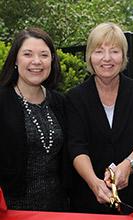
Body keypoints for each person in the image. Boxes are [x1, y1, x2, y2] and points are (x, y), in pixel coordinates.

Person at [66, 22, 133, 214]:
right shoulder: (75, 97)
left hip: (132, 196)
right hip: (87, 197)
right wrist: (94, 183)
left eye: (114, 51)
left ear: (124, 56)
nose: (107, 58)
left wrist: (128, 165)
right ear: (89, 56)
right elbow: (76, 145)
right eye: (99, 51)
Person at [0, 27, 69, 211]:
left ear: (52, 60)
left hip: (57, 208)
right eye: (28, 54)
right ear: (15, 59)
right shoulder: (2, 101)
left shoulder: (60, 102)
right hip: (12, 209)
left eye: (44, 55)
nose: (36, 61)